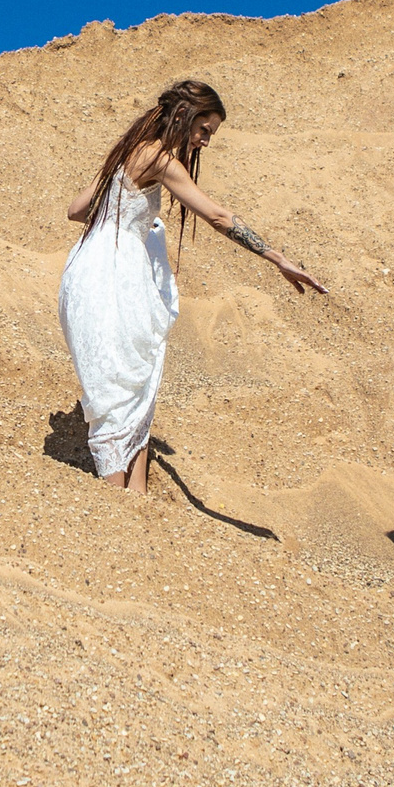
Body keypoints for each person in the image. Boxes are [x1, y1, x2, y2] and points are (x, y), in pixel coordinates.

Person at [59, 81, 327, 493]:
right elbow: (217, 217)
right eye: (205, 130)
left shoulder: (126, 156)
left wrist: (124, 219)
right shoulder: (160, 157)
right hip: (116, 272)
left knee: (122, 385)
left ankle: (132, 500)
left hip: (84, 269)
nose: (204, 142)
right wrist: (277, 259)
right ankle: (115, 507)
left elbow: (77, 211)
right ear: (184, 116)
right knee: (126, 386)